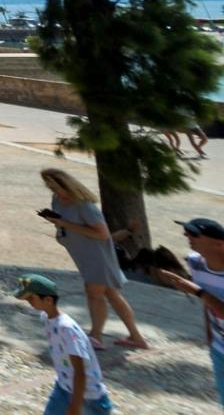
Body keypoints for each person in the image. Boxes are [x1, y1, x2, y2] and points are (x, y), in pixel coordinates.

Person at [38, 167, 148, 349]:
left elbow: (102, 234)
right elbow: (64, 224)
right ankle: (136, 337)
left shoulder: (85, 206)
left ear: (65, 185)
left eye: (53, 185)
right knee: (112, 295)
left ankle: (96, 336)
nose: (51, 189)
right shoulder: (57, 201)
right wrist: (60, 229)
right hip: (83, 255)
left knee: (94, 294)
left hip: (97, 256)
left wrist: (65, 224)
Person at [15, 273, 114, 414]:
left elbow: (80, 372)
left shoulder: (67, 329)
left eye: (31, 298)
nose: (28, 302)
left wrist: (75, 406)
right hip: (63, 386)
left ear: (48, 300)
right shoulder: (46, 317)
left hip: (87, 396)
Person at [162, 217, 224, 405]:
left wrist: (197, 291)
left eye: (194, 233)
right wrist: (209, 335)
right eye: (186, 231)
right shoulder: (195, 263)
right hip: (219, 347)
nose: (186, 235)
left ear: (219, 244)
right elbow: (208, 305)